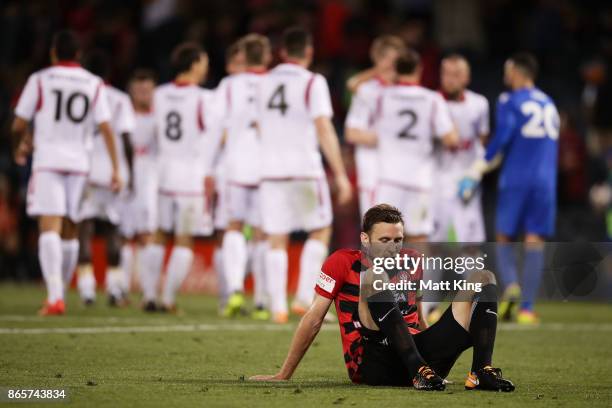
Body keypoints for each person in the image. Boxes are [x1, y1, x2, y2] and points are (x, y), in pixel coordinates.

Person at [250, 204, 515, 392]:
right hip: (374, 363)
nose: (393, 247)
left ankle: (480, 371)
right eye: (384, 239)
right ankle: (418, 371)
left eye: (398, 239)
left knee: (484, 277)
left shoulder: (413, 260)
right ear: (365, 239)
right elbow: (314, 318)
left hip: (420, 357)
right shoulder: (341, 262)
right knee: (374, 277)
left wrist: (435, 356)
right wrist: (284, 374)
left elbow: (417, 317)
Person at [12, 30, 120, 315]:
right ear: (79, 55)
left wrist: (19, 147)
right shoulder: (93, 83)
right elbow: (107, 128)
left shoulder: (40, 79)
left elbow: (19, 124)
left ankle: (55, 296)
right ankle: (61, 292)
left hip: (48, 160)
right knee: (71, 227)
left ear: (53, 52)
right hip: (80, 164)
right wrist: (117, 168)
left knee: (50, 225)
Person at [256, 27, 352, 323]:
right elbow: (323, 127)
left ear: (282, 52)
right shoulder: (313, 81)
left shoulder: (261, 83)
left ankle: (277, 308)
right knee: (320, 229)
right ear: (308, 52)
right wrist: (340, 173)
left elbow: (258, 125)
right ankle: (303, 298)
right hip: (304, 170)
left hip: (270, 170)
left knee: (276, 237)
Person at [458, 53, 559, 324]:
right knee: (535, 241)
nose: (505, 76)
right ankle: (527, 308)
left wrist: (476, 170)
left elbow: (502, 139)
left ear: (516, 72)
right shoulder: (549, 103)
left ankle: (512, 284)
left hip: (516, 178)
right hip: (546, 182)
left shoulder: (509, 101)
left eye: (507, 70)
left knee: (504, 237)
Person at [142, 42, 220, 312]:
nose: (206, 66)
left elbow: (153, 132)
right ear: (195, 64)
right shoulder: (204, 98)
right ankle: (167, 299)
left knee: (159, 235)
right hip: (190, 178)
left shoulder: (160, 94)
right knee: (184, 238)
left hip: (164, 175)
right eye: (204, 61)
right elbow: (216, 135)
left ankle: (149, 296)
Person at [424, 54, 489, 320]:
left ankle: (476, 304)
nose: (449, 79)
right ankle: (428, 305)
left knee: (469, 245)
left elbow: (482, 141)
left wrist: (474, 174)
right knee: (433, 245)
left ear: (466, 77)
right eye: (445, 73)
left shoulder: (479, 104)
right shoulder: (431, 102)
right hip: (436, 183)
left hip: (467, 185)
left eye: (455, 74)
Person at [372, 50, 458, 242]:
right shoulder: (432, 99)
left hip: (389, 177)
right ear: (419, 69)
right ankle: (414, 274)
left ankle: (377, 273)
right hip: (419, 180)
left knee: (380, 237)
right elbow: (450, 139)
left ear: (395, 70)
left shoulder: (381, 96)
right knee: (418, 237)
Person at [216, 34, 271, 319]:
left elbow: (216, 129)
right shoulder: (275, 83)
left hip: (235, 166)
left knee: (234, 228)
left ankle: (235, 289)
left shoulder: (228, 86)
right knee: (263, 235)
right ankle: (261, 301)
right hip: (267, 169)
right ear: (266, 56)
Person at [77, 50, 136, 307]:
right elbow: (126, 140)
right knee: (113, 229)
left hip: (85, 168)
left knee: (85, 228)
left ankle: (87, 290)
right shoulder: (121, 99)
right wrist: (129, 172)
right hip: (113, 171)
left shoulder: (81, 94)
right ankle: (113, 288)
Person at [345, 35, 406, 217]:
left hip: (404, 173)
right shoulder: (366, 91)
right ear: (379, 60)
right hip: (375, 173)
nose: (393, 65)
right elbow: (352, 133)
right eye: (389, 59)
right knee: (379, 234)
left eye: (398, 60)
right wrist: (389, 138)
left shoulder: (409, 92)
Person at [212, 39, 246, 314]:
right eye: (236, 62)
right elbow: (215, 132)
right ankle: (229, 292)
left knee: (245, 231)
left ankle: (248, 295)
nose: (241, 67)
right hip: (229, 167)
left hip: (241, 167)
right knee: (229, 229)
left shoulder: (230, 90)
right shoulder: (227, 90)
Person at [122, 69, 159, 311]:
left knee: (147, 236)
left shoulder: (160, 117)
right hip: (126, 179)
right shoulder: (123, 117)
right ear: (131, 92)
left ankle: (149, 294)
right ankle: (120, 291)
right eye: (138, 90)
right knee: (126, 236)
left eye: (147, 90)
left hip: (151, 182)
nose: (143, 94)